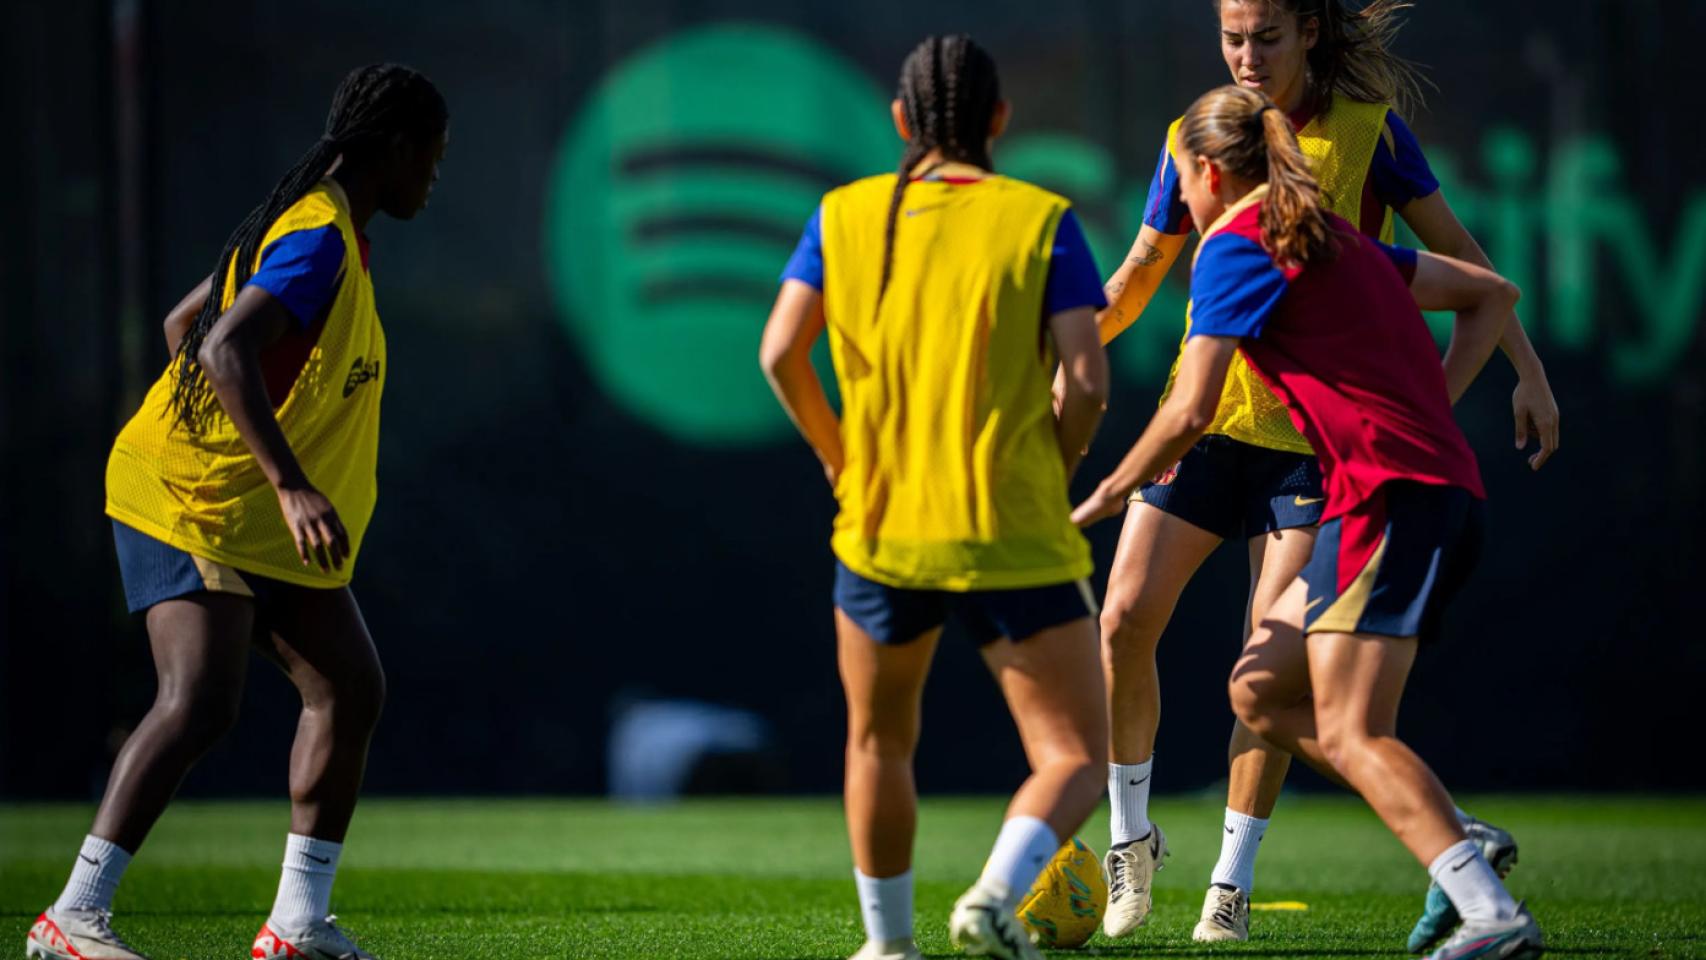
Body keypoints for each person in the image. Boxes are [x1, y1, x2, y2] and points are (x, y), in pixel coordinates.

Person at [1085, 0, 1556, 944]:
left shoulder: (1355, 142)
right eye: (1231, 36)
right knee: (1147, 628)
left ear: (1308, 34)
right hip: (1235, 433)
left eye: (1266, 35)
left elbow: (1469, 267)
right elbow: (1140, 274)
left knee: (1288, 690)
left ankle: (1234, 884)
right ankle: (1132, 844)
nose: (1247, 55)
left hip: (1329, 460)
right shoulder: (1203, 137)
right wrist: (1062, 350)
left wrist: (1524, 373)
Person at [26, 64, 447, 960]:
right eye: (435, 157)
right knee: (200, 699)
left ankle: (298, 927)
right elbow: (219, 347)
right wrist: (284, 480)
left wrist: (256, 468)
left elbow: (185, 322)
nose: (435, 178)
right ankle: (72, 918)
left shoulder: (327, 230)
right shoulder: (318, 238)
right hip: (187, 499)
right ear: (399, 149)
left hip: (240, 505)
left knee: (349, 686)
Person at [760, 34, 1113, 960]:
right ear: (999, 121)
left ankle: (887, 947)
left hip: (883, 533)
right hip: (1012, 530)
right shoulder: (1039, 218)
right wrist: (1059, 464)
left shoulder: (844, 213)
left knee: (879, 743)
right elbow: (1088, 379)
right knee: (1076, 755)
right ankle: (995, 895)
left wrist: (839, 457)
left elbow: (778, 354)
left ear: (901, 122)